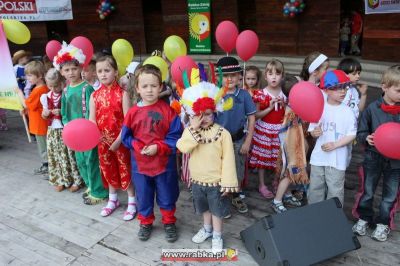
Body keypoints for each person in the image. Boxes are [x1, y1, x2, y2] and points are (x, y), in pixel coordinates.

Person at [121, 64, 183, 242]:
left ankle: (169, 222)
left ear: (161, 87)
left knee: (167, 194)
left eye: (154, 86)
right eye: (145, 86)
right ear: (137, 88)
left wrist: (159, 147)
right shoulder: (132, 113)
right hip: (140, 167)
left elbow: (175, 137)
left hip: (164, 166)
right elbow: (126, 137)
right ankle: (145, 222)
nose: (149, 90)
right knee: (144, 196)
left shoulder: (168, 112)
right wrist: (138, 146)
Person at [177, 80, 238, 252]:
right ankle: (207, 229)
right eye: (199, 114)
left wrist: (228, 183)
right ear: (192, 114)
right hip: (198, 181)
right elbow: (182, 147)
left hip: (216, 183)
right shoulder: (190, 131)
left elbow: (228, 160)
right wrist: (193, 128)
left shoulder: (223, 133)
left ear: (215, 113)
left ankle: (217, 235)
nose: (204, 118)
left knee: (217, 211)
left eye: (208, 114)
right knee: (204, 208)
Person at [54, 42, 108, 205]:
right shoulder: (65, 90)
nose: (71, 72)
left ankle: (99, 191)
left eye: (74, 68)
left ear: (80, 68)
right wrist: (68, 128)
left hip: (88, 133)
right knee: (81, 162)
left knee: (92, 161)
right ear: (62, 72)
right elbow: (64, 112)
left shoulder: (87, 88)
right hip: (74, 135)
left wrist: (87, 128)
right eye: (67, 69)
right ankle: (91, 185)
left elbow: (93, 111)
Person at [352, 65, 400, 242]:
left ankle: (383, 223)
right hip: (373, 158)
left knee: (390, 195)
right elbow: (361, 132)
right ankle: (364, 217)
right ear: (384, 87)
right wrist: (367, 138)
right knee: (368, 190)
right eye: (398, 90)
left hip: (396, 163)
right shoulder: (372, 109)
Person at [89, 55, 137, 220]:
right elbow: (92, 120)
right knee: (108, 169)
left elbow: (127, 121)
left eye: (107, 70)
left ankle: (132, 201)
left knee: (125, 169)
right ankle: (113, 200)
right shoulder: (94, 96)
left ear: (115, 72)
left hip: (120, 141)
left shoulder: (122, 94)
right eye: (99, 71)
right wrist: (95, 137)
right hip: (102, 142)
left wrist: (118, 141)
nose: (103, 74)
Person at [308, 70, 357, 205]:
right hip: (318, 158)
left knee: (335, 191)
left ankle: (333, 218)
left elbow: (352, 134)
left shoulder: (347, 112)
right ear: (326, 90)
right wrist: (314, 133)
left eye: (345, 87)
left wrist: (335, 145)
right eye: (337, 88)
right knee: (315, 189)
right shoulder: (319, 108)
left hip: (337, 160)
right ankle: (314, 214)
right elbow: (312, 129)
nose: (343, 91)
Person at [215, 56, 256, 215]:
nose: (229, 78)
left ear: (240, 76)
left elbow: (252, 118)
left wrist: (248, 141)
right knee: (219, 170)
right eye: (225, 75)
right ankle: (220, 198)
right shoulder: (215, 94)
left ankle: (236, 195)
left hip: (238, 140)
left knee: (237, 170)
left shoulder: (244, 95)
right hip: (218, 141)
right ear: (219, 77)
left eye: (233, 75)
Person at [248, 59, 286, 199]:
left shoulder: (285, 94)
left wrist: (285, 106)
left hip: (280, 131)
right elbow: (256, 115)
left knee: (279, 158)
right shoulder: (260, 94)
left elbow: (290, 114)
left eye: (277, 73)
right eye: (270, 73)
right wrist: (270, 107)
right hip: (264, 130)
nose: (274, 77)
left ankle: (276, 181)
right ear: (265, 76)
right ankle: (262, 184)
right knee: (262, 159)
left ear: (282, 76)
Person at [41, 68, 83, 192]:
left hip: (65, 128)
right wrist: (45, 113)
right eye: (50, 86)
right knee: (56, 155)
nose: (53, 89)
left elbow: (72, 111)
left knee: (69, 155)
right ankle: (60, 180)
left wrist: (61, 111)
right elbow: (43, 115)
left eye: (56, 86)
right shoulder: (46, 96)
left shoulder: (66, 93)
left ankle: (76, 179)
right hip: (53, 130)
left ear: (62, 83)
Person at [271, 74, 308, 213]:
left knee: (292, 173)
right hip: (290, 146)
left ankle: (286, 195)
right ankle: (277, 200)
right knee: (288, 173)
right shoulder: (294, 108)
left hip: (294, 144)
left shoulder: (293, 104)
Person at [15, 60, 49, 174]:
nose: (27, 78)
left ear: (39, 76)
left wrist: (19, 93)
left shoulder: (38, 90)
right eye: (27, 75)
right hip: (40, 122)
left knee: (43, 146)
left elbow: (27, 103)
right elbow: (32, 106)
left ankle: (47, 166)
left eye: (30, 75)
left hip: (40, 124)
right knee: (44, 145)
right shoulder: (40, 88)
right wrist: (25, 110)